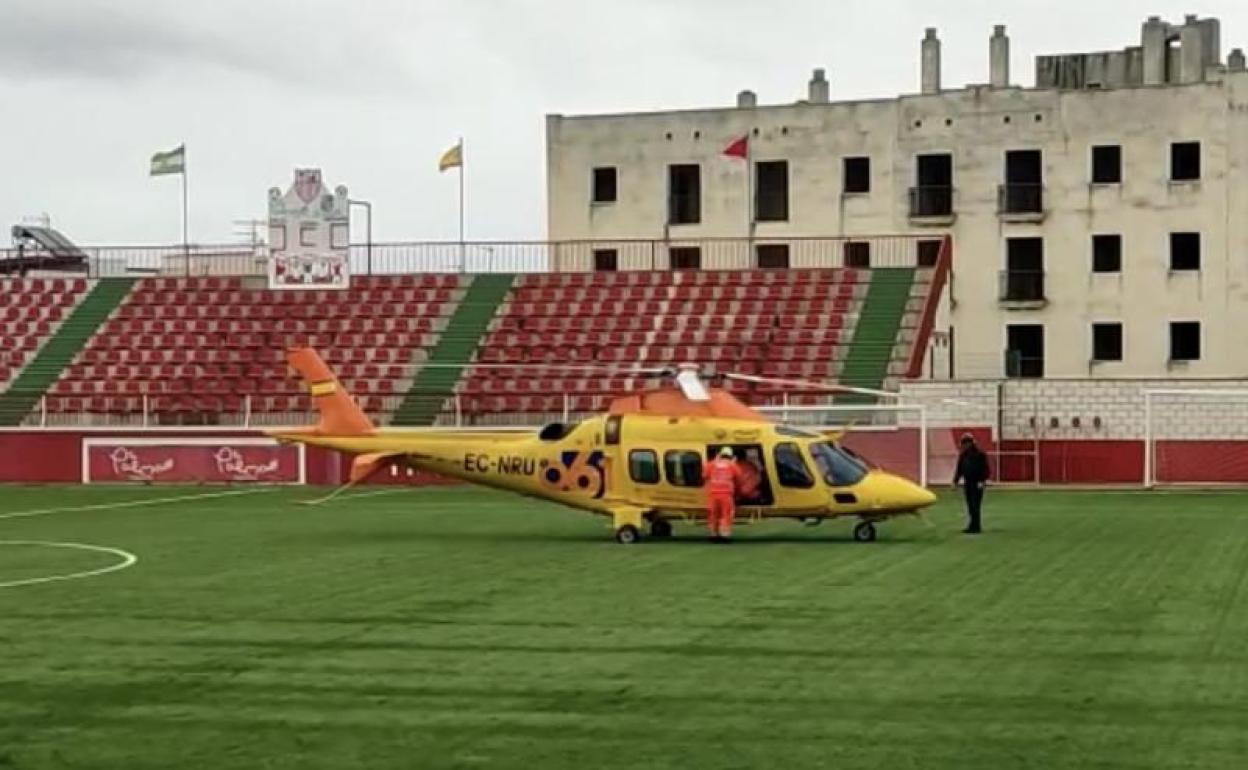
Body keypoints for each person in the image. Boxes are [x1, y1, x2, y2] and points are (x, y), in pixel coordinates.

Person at [702, 446, 744, 542]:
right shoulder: (732, 465)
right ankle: (724, 535)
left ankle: (713, 535)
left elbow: (704, 476)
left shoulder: (711, 464)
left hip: (713, 493)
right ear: (731, 456)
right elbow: (738, 479)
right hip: (726, 494)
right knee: (726, 515)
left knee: (713, 514)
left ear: (720, 455)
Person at [953, 433, 990, 534]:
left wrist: (982, 481)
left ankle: (976, 526)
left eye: (965, 444)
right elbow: (959, 469)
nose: (964, 446)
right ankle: (972, 525)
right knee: (970, 505)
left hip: (977, 483)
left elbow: (985, 469)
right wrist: (955, 481)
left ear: (969, 443)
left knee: (975, 505)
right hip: (967, 483)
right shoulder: (963, 455)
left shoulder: (980, 454)